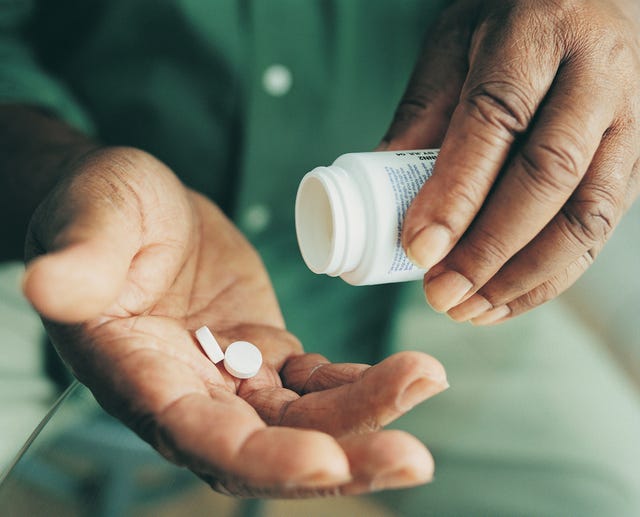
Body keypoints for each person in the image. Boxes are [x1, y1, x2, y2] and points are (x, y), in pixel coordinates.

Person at [1, 0, 639, 511]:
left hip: (421, 282)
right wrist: (66, 171)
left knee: (615, 492)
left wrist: (616, 14)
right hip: (57, 228)